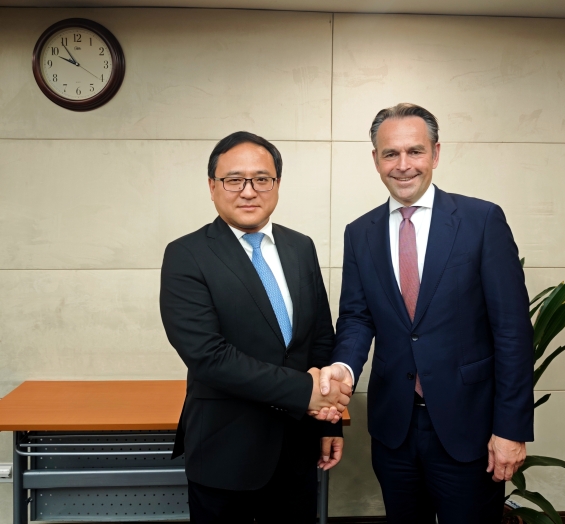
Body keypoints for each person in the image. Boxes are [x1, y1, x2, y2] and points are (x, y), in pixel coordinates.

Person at [316, 104, 534, 523]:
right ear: (376, 159)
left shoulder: (481, 220)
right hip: (394, 429)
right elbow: (357, 317)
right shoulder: (359, 233)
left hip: (469, 427)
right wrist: (344, 367)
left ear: (435, 154)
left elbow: (512, 331)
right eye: (390, 153)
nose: (403, 165)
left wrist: (510, 428)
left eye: (414, 151)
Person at [160, 131, 350, 524]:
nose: (249, 191)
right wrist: (306, 393)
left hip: (297, 451)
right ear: (212, 186)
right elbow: (208, 357)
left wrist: (329, 421)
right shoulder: (186, 254)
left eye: (262, 179)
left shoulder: (301, 247)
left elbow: (320, 338)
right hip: (226, 453)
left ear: (277, 184)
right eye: (234, 179)